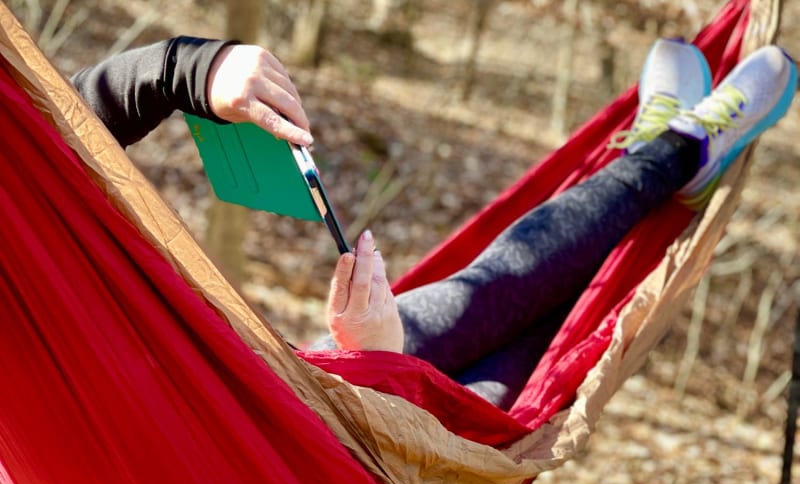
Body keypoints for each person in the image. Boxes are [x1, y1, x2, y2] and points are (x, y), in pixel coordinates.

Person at [71, 37, 797, 409]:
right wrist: (383, 372)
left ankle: (665, 151)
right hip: (331, 469)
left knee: (493, 288)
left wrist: (188, 68)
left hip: (292, 385)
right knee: (523, 369)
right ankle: (674, 150)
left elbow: (55, 123)